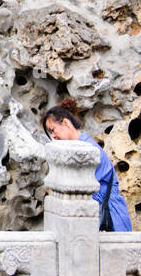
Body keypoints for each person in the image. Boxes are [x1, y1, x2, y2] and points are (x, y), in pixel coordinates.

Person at [44, 97, 131, 231]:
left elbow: (79, 187)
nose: (53, 136)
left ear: (66, 123)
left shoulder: (88, 150)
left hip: (109, 219)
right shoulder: (77, 148)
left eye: (52, 130)